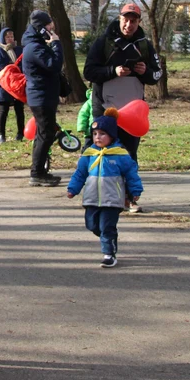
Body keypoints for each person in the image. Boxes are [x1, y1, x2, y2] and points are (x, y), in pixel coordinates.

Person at [82, 2, 161, 211]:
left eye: (133, 21)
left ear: (138, 22)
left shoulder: (144, 45)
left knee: (129, 154)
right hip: (105, 107)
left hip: (132, 109)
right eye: (125, 20)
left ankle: (128, 198)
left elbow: (156, 75)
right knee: (101, 150)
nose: (129, 24)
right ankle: (97, 194)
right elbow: (89, 72)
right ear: (119, 19)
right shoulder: (103, 42)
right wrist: (112, 71)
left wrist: (145, 71)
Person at [66, 108, 143, 268]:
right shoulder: (89, 154)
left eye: (102, 134)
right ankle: (108, 238)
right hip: (92, 198)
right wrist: (73, 189)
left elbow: (131, 174)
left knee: (106, 226)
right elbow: (80, 174)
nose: (97, 137)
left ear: (112, 136)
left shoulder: (120, 154)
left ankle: (109, 254)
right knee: (92, 225)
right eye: (95, 134)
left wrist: (135, 191)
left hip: (112, 199)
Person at [22, 9, 64, 186]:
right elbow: (54, 64)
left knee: (43, 134)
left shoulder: (36, 45)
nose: (51, 29)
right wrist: (56, 44)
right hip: (41, 97)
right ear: (40, 27)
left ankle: (39, 170)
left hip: (44, 96)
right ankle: (37, 173)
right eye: (48, 26)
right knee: (46, 134)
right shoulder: (35, 47)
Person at [0, 27, 25, 143]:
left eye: (11, 36)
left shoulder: (20, 50)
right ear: (3, 38)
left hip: (18, 83)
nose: (10, 39)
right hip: (4, 84)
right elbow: (1, 66)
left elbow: (24, 65)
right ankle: (1, 135)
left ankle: (21, 134)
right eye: (7, 37)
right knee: (3, 110)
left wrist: (16, 70)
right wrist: (13, 68)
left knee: (19, 109)